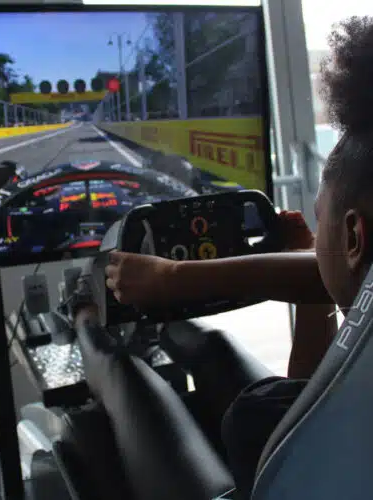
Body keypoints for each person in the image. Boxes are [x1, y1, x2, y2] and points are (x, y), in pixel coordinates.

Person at [75, 15, 373, 500]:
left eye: (322, 222)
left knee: (125, 377)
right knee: (211, 345)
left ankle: (87, 327)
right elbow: (313, 390)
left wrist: (174, 278)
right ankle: (154, 331)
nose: (315, 240)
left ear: (356, 236)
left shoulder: (265, 418)